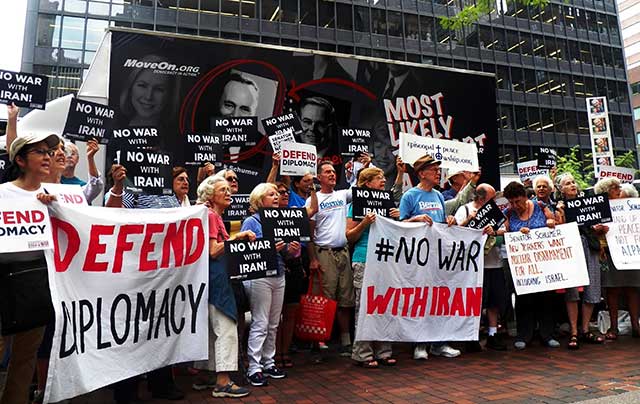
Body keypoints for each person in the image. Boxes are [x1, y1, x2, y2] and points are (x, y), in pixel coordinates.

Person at [0, 132, 60, 404]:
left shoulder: (55, 196)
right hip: (2, 281)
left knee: (25, 357)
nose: (47, 156)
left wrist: (56, 208)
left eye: (48, 151)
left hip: (36, 282)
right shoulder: (2, 193)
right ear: (21, 161)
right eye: (39, 152)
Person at [192, 175, 254, 398]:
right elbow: (213, 250)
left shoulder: (209, 215)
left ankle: (207, 376)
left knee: (212, 329)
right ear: (210, 195)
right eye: (223, 190)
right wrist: (239, 238)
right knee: (226, 327)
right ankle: (223, 381)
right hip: (216, 277)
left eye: (229, 189)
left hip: (210, 277)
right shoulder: (210, 216)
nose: (229, 193)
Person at [399, 154, 459, 360]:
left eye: (437, 170)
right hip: (419, 256)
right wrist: (415, 218)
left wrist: (449, 220)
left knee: (439, 298)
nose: (437, 173)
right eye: (433, 170)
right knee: (421, 298)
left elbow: (441, 223)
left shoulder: (439, 196)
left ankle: (439, 342)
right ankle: (420, 344)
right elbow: (399, 225)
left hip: (437, 255)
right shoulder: (410, 196)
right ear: (421, 173)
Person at [241, 183, 301, 386]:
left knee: (274, 323)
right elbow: (244, 253)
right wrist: (267, 247)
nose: (276, 197)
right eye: (271, 194)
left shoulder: (281, 220)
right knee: (260, 322)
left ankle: (269, 362)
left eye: (277, 194)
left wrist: (292, 250)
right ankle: (254, 367)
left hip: (279, 272)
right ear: (259, 200)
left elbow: (288, 254)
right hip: (259, 276)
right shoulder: (251, 221)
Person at [346, 167, 400, 368]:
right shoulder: (356, 206)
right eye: (379, 178)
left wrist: (397, 217)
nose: (383, 181)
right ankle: (363, 353)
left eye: (384, 177)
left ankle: (384, 351)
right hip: (364, 258)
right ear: (367, 183)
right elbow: (349, 235)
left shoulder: (388, 204)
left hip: (385, 259)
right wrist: (364, 223)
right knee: (365, 307)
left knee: (385, 305)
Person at [498, 181, 559, 350]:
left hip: (543, 262)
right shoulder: (508, 213)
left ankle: (547, 334)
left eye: (518, 201)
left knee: (545, 297)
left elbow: (554, 222)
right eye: (511, 202)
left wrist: (550, 223)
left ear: (525, 197)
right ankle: (524, 334)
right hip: (523, 265)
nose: (515, 205)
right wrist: (513, 232)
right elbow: (503, 232)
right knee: (523, 297)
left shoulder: (540, 206)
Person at [306, 161, 354, 356]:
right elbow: (308, 233)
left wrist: (362, 166)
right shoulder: (312, 201)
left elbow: (361, 189)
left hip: (343, 252)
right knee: (326, 298)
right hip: (323, 253)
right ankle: (320, 340)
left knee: (345, 298)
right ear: (319, 177)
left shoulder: (342, 195)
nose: (332, 174)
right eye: (327, 172)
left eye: (334, 171)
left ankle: (345, 340)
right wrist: (312, 258)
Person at [454, 184, 508, 351]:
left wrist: (495, 232)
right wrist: (471, 219)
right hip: (473, 267)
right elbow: (455, 231)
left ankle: (492, 334)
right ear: (481, 198)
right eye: (491, 198)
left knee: (494, 301)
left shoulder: (494, 210)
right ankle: (472, 335)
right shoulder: (464, 209)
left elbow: (505, 229)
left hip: (494, 262)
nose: (494, 202)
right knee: (475, 302)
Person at [554, 173, 605, 349]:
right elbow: (559, 229)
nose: (572, 185)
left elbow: (598, 223)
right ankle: (574, 331)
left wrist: (599, 227)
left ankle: (585, 330)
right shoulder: (559, 207)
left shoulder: (589, 203)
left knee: (592, 287)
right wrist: (561, 214)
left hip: (589, 247)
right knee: (572, 290)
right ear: (561, 189)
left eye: (574, 182)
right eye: (568, 184)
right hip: (571, 248)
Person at [593, 177, 640, 339]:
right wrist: (598, 230)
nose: (619, 189)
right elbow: (591, 230)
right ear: (606, 192)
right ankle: (613, 328)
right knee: (612, 290)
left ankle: (635, 326)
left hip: (629, 252)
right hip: (609, 252)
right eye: (614, 187)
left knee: (632, 288)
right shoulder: (599, 209)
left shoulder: (629, 205)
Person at [118, 55, 178, 129]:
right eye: (142, 85)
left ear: (170, 94)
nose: (148, 96)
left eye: (159, 89)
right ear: (130, 87)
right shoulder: (112, 128)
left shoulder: (178, 135)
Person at [298, 97, 340, 165]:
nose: (312, 129)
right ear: (299, 122)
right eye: (307, 122)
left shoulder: (341, 161)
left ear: (330, 127)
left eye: (320, 124)